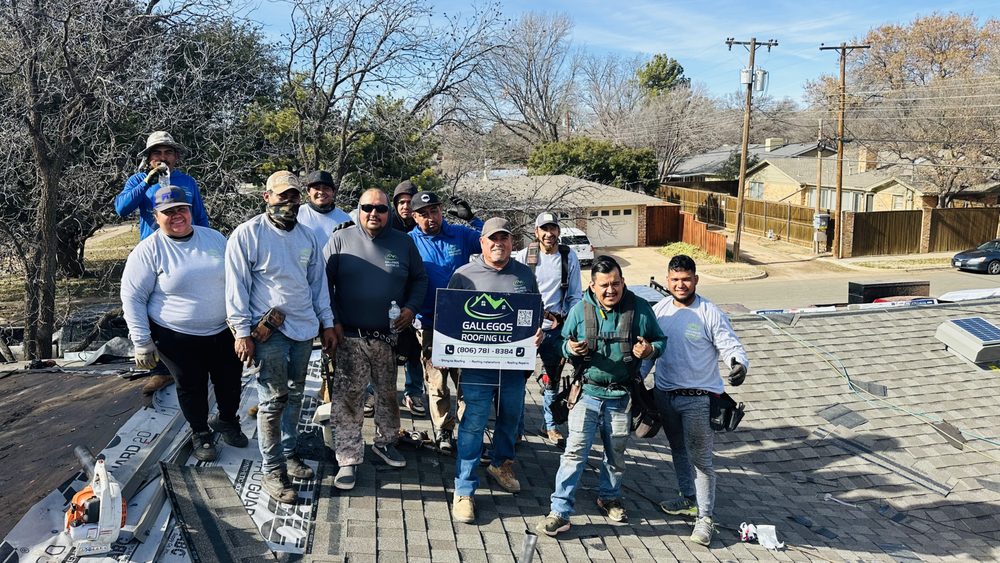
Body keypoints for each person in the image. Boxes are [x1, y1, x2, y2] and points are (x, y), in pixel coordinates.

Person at [225, 171, 338, 504]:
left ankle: (290, 453)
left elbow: (318, 286)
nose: (288, 203)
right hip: (269, 331)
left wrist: (326, 323)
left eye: (293, 197)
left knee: (296, 395)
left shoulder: (307, 238)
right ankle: (273, 470)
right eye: (281, 196)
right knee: (273, 401)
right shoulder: (247, 236)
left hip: (304, 330)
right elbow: (237, 289)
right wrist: (241, 332)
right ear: (266, 197)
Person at [536, 255, 664, 537]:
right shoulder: (580, 311)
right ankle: (560, 511)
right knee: (574, 453)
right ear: (592, 286)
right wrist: (570, 349)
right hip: (587, 393)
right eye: (604, 285)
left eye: (616, 284)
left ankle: (609, 497)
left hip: (622, 396)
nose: (611, 290)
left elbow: (660, 341)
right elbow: (560, 344)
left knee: (615, 454)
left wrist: (650, 350)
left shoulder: (640, 310)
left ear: (623, 282)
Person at [120, 186, 248, 462]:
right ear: (156, 216)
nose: (176, 216)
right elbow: (132, 297)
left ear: (190, 210)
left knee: (230, 381)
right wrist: (142, 341)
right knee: (192, 385)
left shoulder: (214, 239)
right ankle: (200, 431)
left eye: (182, 209)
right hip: (176, 336)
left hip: (222, 330)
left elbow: (238, 281)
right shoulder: (148, 251)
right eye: (168, 212)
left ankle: (227, 420)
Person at [323, 188, 428, 490]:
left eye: (381, 209)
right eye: (367, 207)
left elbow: (419, 279)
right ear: (358, 209)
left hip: (387, 337)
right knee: (349, 399)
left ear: (389, 213)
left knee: (387, 395)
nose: (374, 213)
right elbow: (322, 285)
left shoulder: (403, 242)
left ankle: (386, 442)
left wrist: (411, 308)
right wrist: (332, 322)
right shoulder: (340, 240)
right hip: (349, 337)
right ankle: (348, 458)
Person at [446, 217, 541, 523]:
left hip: (512, 366)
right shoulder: (464, 274)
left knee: (511, 419)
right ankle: (464, 489)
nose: (499, 243)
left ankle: (501, 463)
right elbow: (451, 318)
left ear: (512, 242)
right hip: (477, 368)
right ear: (482, 243)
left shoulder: (524, 275)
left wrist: (537, 332)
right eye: (493, 239)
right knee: (472, 425)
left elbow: (532, 314)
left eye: (505, 238)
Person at [650, 254, 749, 547]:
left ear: (695, 280)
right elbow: (649, 351)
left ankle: (705, 518)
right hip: (665, 394)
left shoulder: (709, 312)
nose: (680, 285)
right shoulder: (659, 311)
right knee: (678, 449)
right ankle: (688, 499)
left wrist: (738, 364)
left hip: (698, 399)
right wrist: (636, 375)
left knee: (702, 461)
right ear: (668, 280)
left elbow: (729, 344)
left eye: (686, 279)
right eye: (675, 279)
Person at [408, 191, 483, 451]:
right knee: (437, 383)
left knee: (465, 381)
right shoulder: (409, 242)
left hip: (462, 322)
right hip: (428, 324)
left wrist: (472, 220)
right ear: (414, 217)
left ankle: (467, 429)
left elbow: (492, 241)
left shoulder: (460, 234)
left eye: (435, 211)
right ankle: (443, 431)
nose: (431, 218)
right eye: (424, 214)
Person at [512, 211, 582, 447]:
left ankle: (550, 426)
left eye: (553, 229)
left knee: (552, 379)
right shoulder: (525, 256)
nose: (549, 234)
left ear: (558, 231)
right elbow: (515, 289)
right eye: (544, 229)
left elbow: (574, 296)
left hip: (556, 328)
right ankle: (516, 428)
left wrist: (571, 325)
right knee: (519, 378)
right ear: (537, 232)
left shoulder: (567, 257)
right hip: (527, 326)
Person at [115, 131, 210, 240]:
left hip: (187, 247)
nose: (163, 158)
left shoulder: (188, 181)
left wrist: (206, 242)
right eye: (157, 153)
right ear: (148, 158)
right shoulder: (138, 180)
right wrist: (146, 183)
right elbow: (121, 209)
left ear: (176, 156)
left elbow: (200, 217)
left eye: (168, 152)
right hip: (154, 248)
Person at [297, 170, 352, 247]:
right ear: (308, 191)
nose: (321, 192)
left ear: (333, 191)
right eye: (316, 188)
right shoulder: (298, 214)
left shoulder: (345, 219)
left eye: (326, 188)